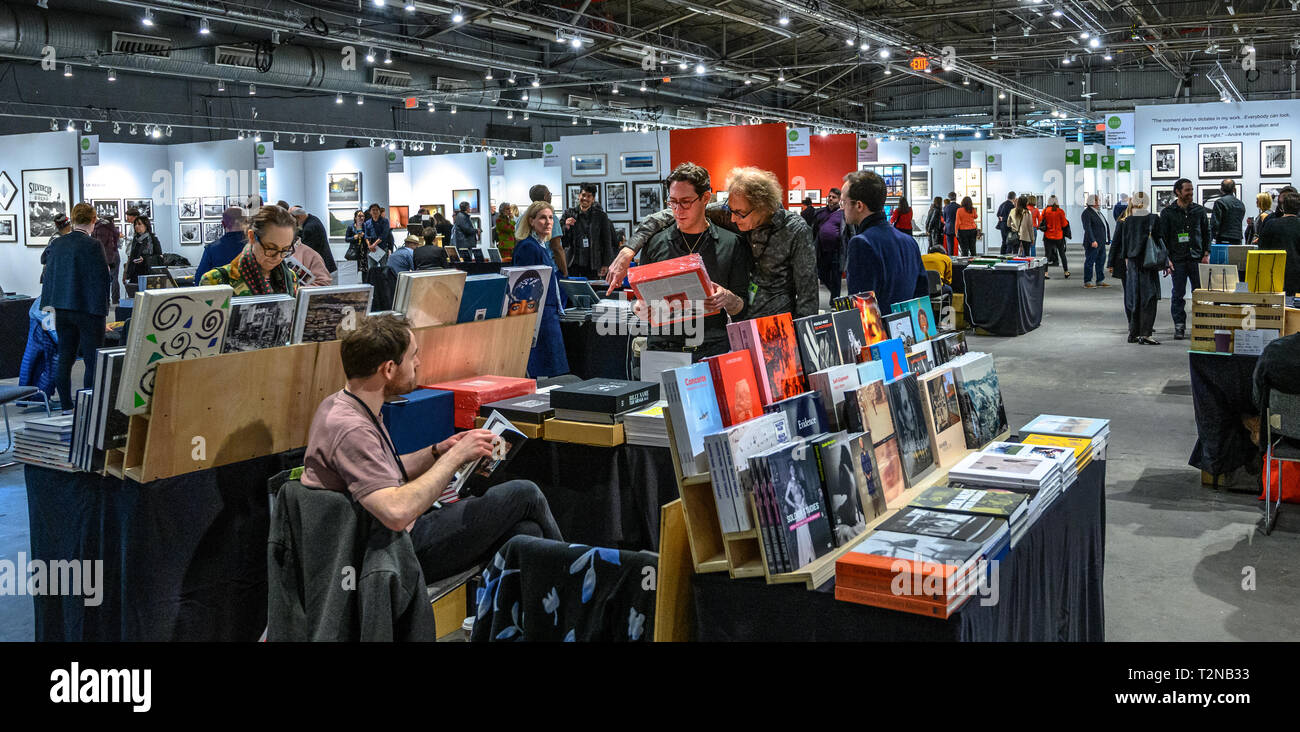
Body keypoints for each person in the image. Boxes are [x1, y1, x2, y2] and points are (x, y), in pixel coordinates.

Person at [300, 313, 562, 584]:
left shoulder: (346, 404)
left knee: (524, 532)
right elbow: (396, 513)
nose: (418, 363)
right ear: (388, 369)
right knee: (525, 493)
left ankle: (523, 619)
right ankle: (578, 599)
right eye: (413, 355)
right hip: (389, 550)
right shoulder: (351, 428)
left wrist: (438, 451)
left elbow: (382, 472)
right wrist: (456, 458)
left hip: (389, 537)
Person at [608, 167, 817, 319]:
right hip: (735, 321)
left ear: (763, 206)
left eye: (740, 213)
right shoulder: (728, 212)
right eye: (731, 210)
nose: (732, 219)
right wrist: (628, 250)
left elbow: (808, 294)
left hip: (776, 320)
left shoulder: (795, 230)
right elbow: (666, 216)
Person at [637, 162, 750, 360]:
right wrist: (638, 309)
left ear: (705, 197)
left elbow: (743, 307)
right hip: (662, 349)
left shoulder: (731, 244)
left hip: (712, 348)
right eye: (672, 202)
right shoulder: (655, 243)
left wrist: (728, 298)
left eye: (686, 201)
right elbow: (639, 299)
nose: (678, 210)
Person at [41, 203, 111, 412]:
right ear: (93, 220)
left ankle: (66, 406)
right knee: (91, 359)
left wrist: (50, 306)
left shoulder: (58, 244)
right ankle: (89, 407)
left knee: (65, 357)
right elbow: (103, 279)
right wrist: (103, 312)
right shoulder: (93, 245)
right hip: (89, 310)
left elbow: (49, 276)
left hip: (62, 308)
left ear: (72, 220)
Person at [841, 170, 928, 312]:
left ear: (859, 205)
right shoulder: (909, 242)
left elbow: (863, 308)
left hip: (879, 332)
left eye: (844, 202)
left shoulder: (861, 244)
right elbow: (921, 297)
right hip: (907, 330)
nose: (842, 207)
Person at [512, 201, 570, 377]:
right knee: (547, 368)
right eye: (543, 218)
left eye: (551, 218)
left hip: (548, 311)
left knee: (553, 368)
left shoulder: (540, 245)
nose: (548, 222)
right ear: (531, 221)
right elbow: (524, 287)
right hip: (539, 314)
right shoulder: (528, 246)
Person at [199, 205, 302, 296]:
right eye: (271, 248)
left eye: (285, 250)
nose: (278, 257)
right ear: (252, 237)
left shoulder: (290, 278)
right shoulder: (216, 281)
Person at [1151, 178, 1209, 340]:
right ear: (1178, 191)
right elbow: (1163, 238)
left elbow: (1206, 232)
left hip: (1196, 258)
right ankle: (1179, 326)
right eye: (1187, 190)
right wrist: (1166, 259)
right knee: (1178, 294)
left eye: (1191, 190)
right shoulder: (1168, 213)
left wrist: (1206, 253)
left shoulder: (1199, 211)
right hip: (1177, 259)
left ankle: (1201, 325)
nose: (1191, 193)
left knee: (1200, 294)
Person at [1118, 192, 1164, 345]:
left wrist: (1125, 260)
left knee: (1134, 297)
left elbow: (1124, 244)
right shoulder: (1153, 219)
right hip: (1148, 263)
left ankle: (1133, 332)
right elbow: (1159, 241)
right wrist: (1166, 262)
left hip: (1132, 263)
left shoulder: (1127, 220)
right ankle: (1145, 333)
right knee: (1149, 298)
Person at [560, 182, 616, 279]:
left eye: (589, 196)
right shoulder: (568, 213)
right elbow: (560, 237)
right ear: (579, 196)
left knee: (592, 291)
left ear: (593, 199)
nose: (585, 198)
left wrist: (606, 264)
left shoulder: (601, 216)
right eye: (583, 195)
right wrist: (566, 226)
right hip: (572, 263)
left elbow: (607, 241)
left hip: (593, 264)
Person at [1257, 190, 1300, 296]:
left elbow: (1262, 249)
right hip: (1297, 274)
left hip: (1275, 273)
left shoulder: (1271, 223)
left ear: (1283, 207)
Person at [195, 207, 248, 284]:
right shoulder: (255, 245)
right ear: (246, 222)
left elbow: (199, 280)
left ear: (223, 224)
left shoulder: (211, 249)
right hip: (252, 295)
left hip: (222, 295)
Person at [527, 184, 569, 276]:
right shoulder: (550, 217)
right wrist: (565, 273)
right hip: (549, 269)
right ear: (546, 197)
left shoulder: (523, 218)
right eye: (550, 194)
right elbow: (556, 247)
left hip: (529, 269)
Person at [812, 187, 845, 299]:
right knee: (822, 274)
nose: (830, 199)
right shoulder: (820, 213)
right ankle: (835, 293)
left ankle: (834, 300)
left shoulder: (843, 214)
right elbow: (814, 229)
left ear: (839, 199)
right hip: (822, 250)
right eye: (829, 196)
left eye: (834, 197)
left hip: (837, 250)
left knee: (836, 276)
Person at [290, 206, 338, 276]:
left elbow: (305, 252)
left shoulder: (309, 228)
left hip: (323, 270)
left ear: (298, 217)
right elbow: (302, 232)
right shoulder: (313, 219)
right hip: (326, 267)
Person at [123, 214, 162, 289]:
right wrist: (126, 273)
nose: (136, 226)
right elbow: (132, 256)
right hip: (135, 272)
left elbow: (160, 257)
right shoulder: (135, 239)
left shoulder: (153, 239)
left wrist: (145, 259)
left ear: (146, 225)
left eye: (139, 224)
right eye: (135, 224)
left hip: (148, 273)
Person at [1081, 193, 1111, 288]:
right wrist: (1093, 240)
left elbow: (1103, 225)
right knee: (1090, 261)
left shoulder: (1098, 211)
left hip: (1101, 242)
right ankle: (1088, 281)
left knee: (1101, 261)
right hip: (1093, 242)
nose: (1099, 202)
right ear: (1093, 202)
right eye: (1098, 200)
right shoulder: (1087, 213)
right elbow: (1087, 228)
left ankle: (1100, 280)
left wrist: (1107, 239)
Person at [1107, 209, 1132, 322]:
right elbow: (1115, 242)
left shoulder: (1145, 221)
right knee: (1128, 292)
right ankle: (1131, 321)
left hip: (1139, 263)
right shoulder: (1122, 222)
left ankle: (1141, 322)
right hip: (1123, 262)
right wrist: (1110, 263)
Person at [91, 213, 121, 306]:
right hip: (115, 254)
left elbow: (98, 243)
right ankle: (115, 300)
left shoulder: (99, 228)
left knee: (104, 279)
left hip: (104, 256)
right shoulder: (113, 228)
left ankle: (105, 300)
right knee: (115, 278)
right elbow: (117, 240)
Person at [361, 203, 395, 278]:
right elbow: (366, 236)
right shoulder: (367, 223)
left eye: (377, 210)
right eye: (373, 210)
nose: (375, 211)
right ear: (370, 212)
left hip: (382, 248)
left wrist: (374, 245)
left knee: (384, 269)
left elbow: (384, 235)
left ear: (379, 211)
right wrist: (369, 246)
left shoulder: (385, 221)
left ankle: (385, 287)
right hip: (372, 250)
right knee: (372, 270)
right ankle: (373, 286)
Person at [1040, 196, 1070, 279]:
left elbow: (1041, 221)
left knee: (1047, 255)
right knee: (1062, 254)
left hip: (1048, 236)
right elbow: (1064, 224)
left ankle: (1045, 273)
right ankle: (1066, 271)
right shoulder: (1060, 211)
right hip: (1058, 236)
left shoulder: (1045, 211)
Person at [1210, 179, 1246, 247]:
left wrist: (1209, 240)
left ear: (1221, 189)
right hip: (1237, 239)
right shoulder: (1241, 204)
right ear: (1234, 189)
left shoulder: (1220, 202)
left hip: (1223, 238)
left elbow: (1215, 223)